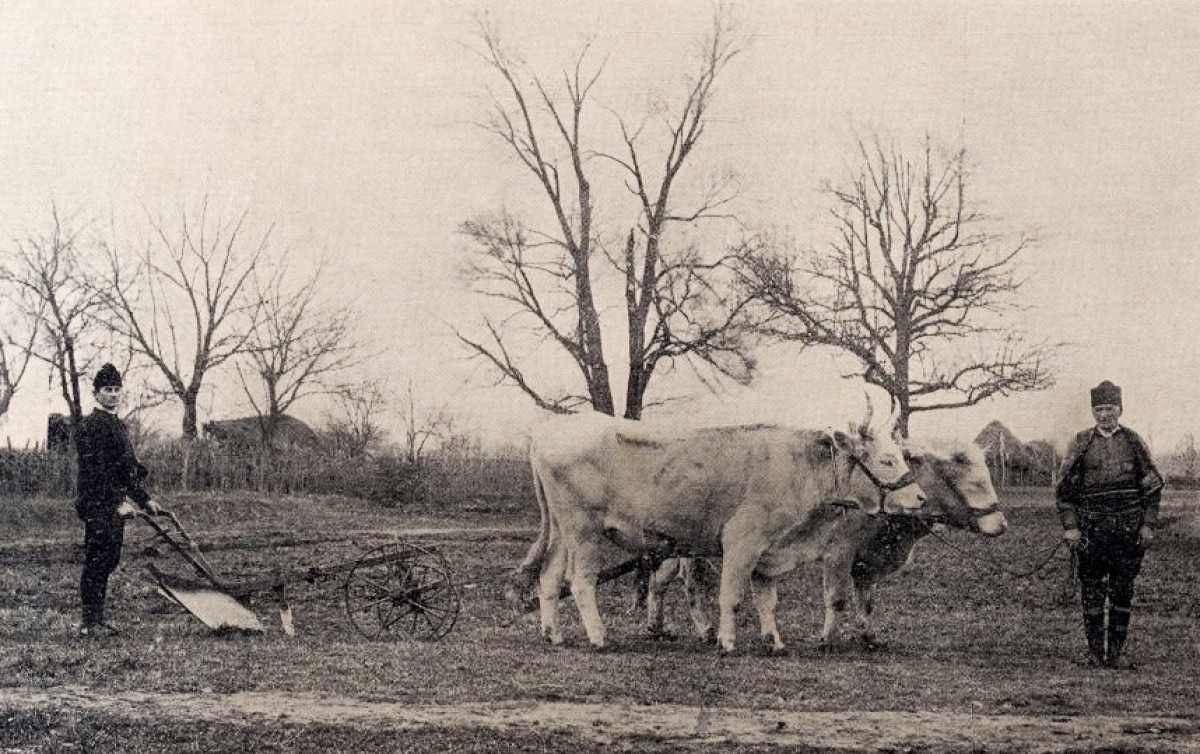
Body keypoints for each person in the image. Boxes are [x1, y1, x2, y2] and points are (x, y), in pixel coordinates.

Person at [1055, 380, 1163, 669]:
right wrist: (1071, 527)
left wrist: (1148, 525)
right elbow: (1065, 493)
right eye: (1099, 409)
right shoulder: (1080, 443)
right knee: (1091, 590)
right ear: (1093, 412)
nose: (1105, 415)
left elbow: (1152, 491)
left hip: (1128, 532)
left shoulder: (1134, 442)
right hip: (1091, 532)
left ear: (1120, 409)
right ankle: (1094, 654)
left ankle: (1115, 654)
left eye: (1110, 408)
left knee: (1122, 590)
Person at [75, 363, 161, 636]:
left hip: (112, 504)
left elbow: (125, 469)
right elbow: (95, 470)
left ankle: (96, 621)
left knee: (109, 559)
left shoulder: (117, 425)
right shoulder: (91, 425)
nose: (112, 394)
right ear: (96, 393)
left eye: (116, 390)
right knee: (98, 560)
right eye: (106, 390)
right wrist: (116, 502)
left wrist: (144, 499)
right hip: (97, 504)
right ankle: (90, 624)